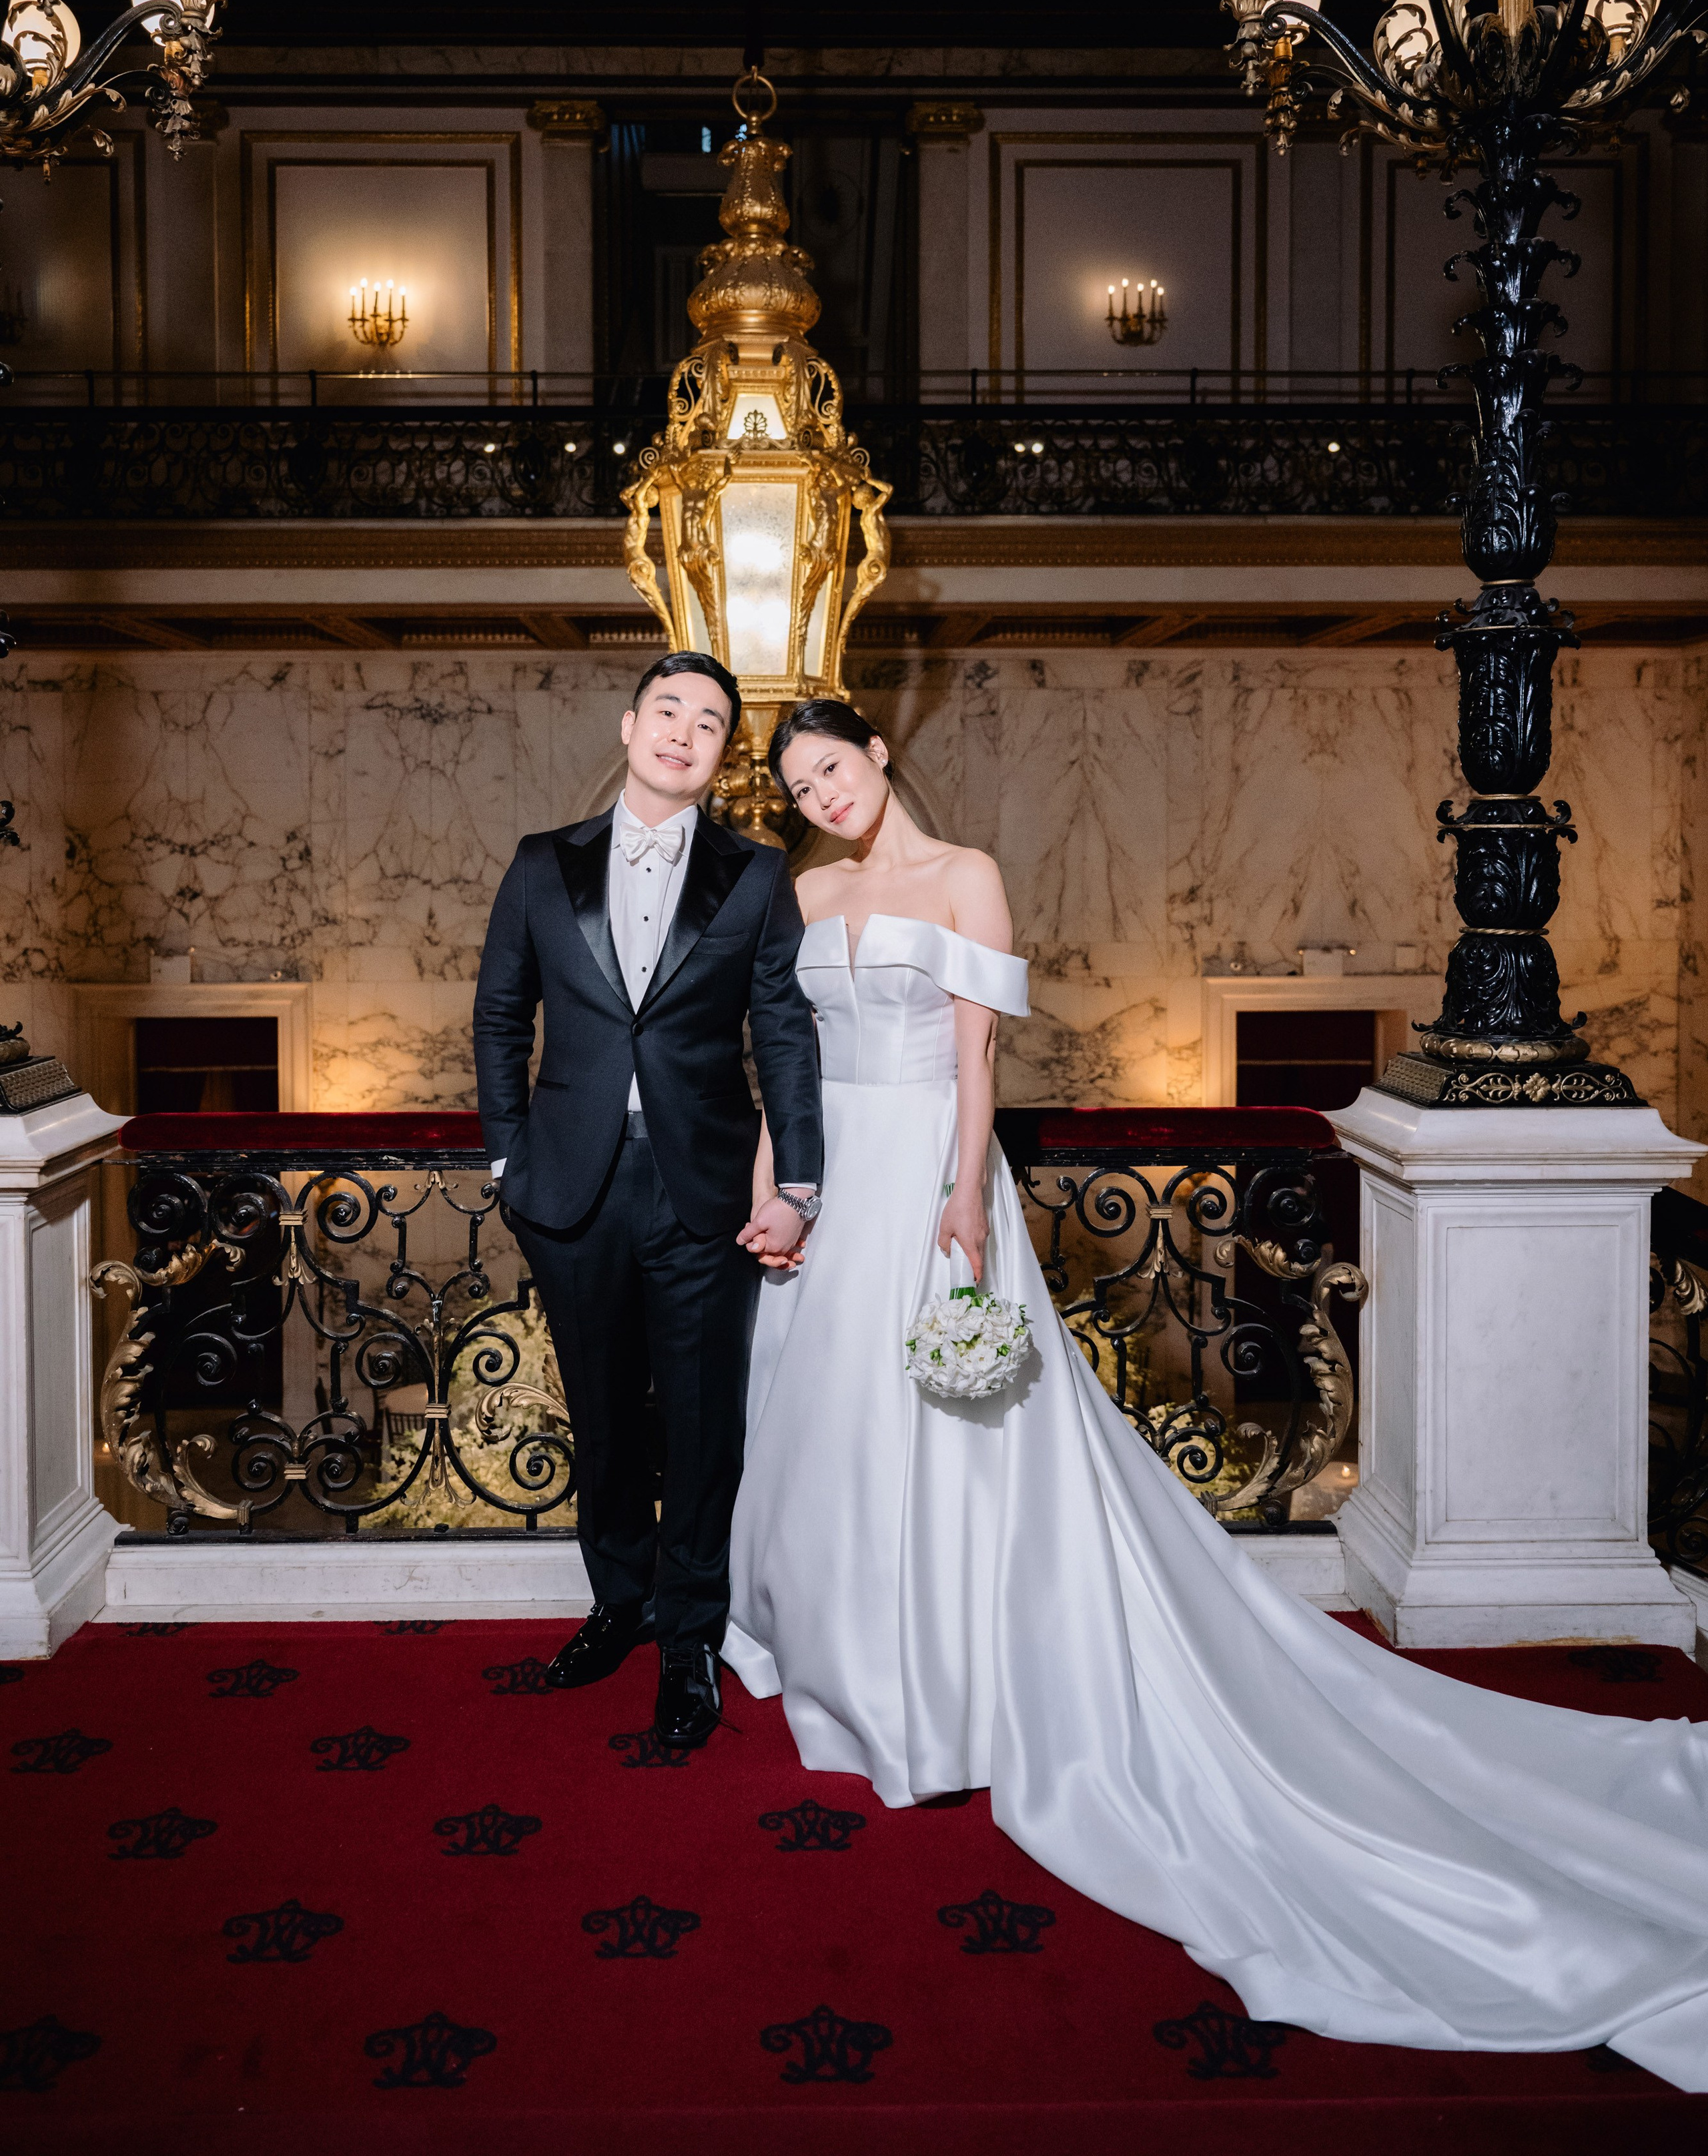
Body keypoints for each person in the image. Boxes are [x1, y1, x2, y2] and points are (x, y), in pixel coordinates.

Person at [725, 695, 1708, 2095]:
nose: (820, 792)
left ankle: (939, 1685)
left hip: (929, 1181)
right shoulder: (808, 888)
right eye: (798, 781)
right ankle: (846, 1660)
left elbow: (975, 1055)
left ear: (880, 754)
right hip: (834, 1171)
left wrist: (960, 1198)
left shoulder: (966, 875)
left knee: (948, 1431)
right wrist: (776, 1179)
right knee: (828, 1430)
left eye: (833, 765)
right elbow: (784, 1049)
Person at [473, 653, 822, 1750]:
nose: (684, 731)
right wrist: (508, 1165)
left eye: (710, 722)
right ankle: (616, 1601)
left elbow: (784, 1035)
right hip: (569, 1188)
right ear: (629, 728)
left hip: (705, 1189)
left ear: (723, 758)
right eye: (667, 709)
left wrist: (799, 1183)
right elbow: (497, 1018)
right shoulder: (542, 863)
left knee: (705, 1423)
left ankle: (687, 1643)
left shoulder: (757, 876)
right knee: (607, 1413)